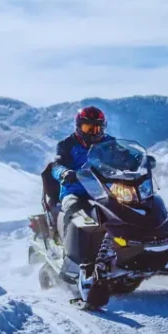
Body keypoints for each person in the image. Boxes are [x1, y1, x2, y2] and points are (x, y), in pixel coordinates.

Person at [48, 105, 114, 251]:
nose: (92, 133)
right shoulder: (67, 144)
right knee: (74, 212)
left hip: (104, 190)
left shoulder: (109, 143)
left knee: (125, 207)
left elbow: (125, 154)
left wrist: (140, 159)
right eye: (87, 128)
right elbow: (56, 165)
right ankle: (69, 251)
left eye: (96, 129)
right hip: (76, 191)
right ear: (78, 127)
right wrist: (64, 173)